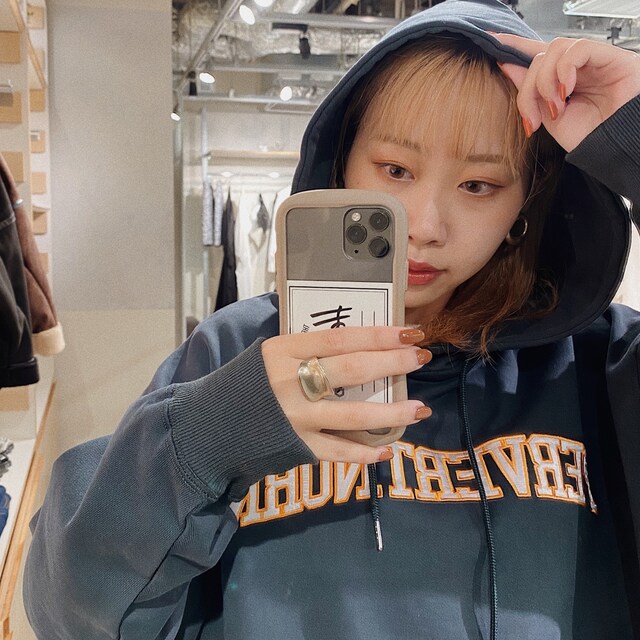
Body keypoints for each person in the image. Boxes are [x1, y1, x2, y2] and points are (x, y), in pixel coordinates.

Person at [23, 0, 640, 638]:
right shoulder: (237, 351)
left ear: (526, 203)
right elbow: (69, 612)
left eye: (479, 185)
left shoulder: (599, 363)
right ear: (343, 161)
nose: (424, 226)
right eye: (395, 170)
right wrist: (216, 433)